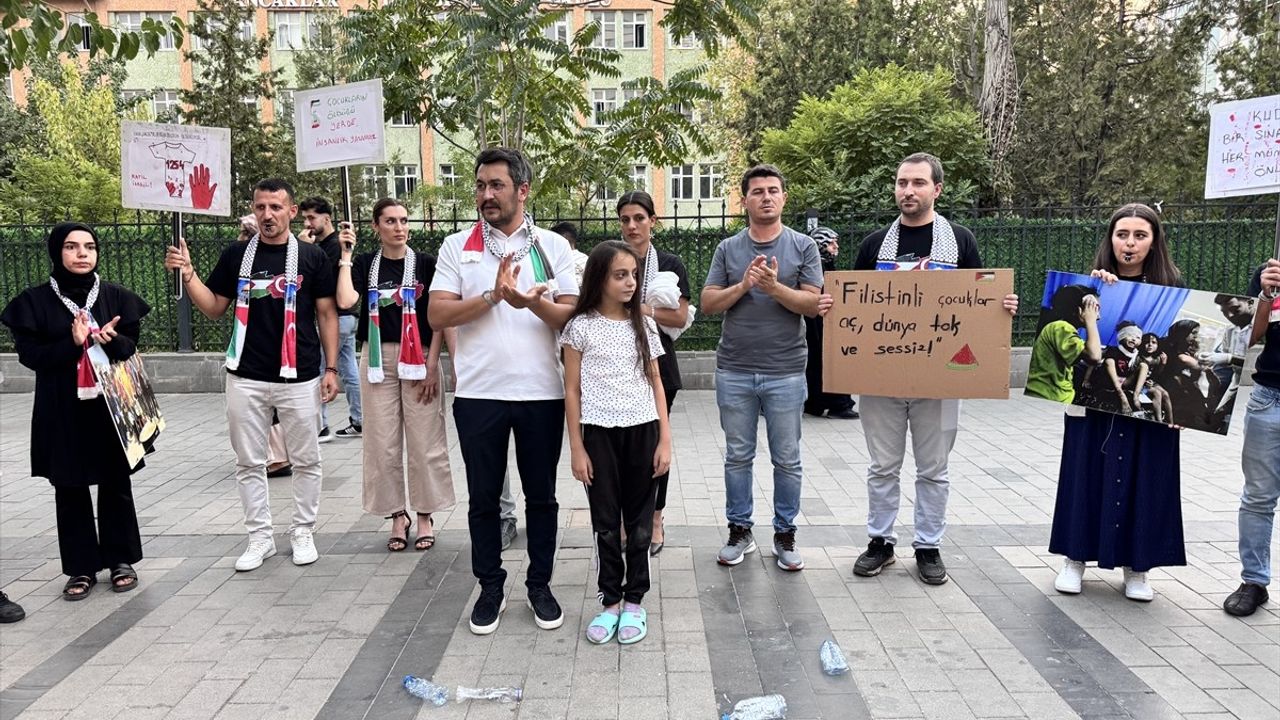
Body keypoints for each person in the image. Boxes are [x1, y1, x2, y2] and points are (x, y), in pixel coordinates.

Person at [428, 148, 579, 635]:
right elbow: (437, 315)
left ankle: (540, 585)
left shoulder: (553, 247)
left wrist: (527, 303)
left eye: (495, 185)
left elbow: (572, 317)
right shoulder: (458, 246)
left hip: (541, 394)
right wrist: (493, 297)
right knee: (484, 500)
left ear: (522, 190)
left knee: (542, 499)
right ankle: (489, 586)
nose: (485, 195)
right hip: (478, 394)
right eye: (480, 186)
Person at [850, 153, 1019, 586]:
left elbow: (978, 298)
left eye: (918, 183)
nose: (908, 191)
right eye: (902, 183)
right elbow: (856, 305)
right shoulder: (873, 245)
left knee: (934, 467)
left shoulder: (959, 241)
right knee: (882, 466)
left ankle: (928, 545)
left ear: (937, 189)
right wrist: (835, 306)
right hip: (882, 376)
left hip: (941, 376)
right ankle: (880, 542)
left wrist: (1002, 306)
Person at [165, 178, 340, 572]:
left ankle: (302, 531)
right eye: (261, 207)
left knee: (307, 459)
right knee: (248, 461)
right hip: (246, 373)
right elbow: (213, 308)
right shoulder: (237, 255)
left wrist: (331, 368)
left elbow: (327, 313)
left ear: (292, 212)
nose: (267, 215)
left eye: (276, 207)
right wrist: (189, 274)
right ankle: (259, 537)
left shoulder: (311, 258)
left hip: (300, 373)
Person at [2, 222, 150, 600]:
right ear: (57, 252)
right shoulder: (33, 303)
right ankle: (81, 567)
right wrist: (72, 343)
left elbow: (130, 347)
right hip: (60, 407)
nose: (82, 254)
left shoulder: (115, 297)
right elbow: (32, 357)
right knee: (69, 487)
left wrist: (113, 340)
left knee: (116, 482)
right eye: (71, 247)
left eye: (89, 247)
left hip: (109, 406)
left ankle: (121, 559)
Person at [1050, 203, 1185, 602]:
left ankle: (1138, 567)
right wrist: (1098, 289)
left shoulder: (1174, 288)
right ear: (1110, 239)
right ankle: (1074, 558)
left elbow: (1171, 360)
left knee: (1146, 475)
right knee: (1085, 471)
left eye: (1140, 235)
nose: (1129, 243)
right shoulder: (1093, 287)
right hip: (1095, 405)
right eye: (1121, 234)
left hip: (1147, 408)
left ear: (1154, 241)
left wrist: (1181, 411)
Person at [701, 164, 827, 571]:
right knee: (737, 456)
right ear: (745, 200)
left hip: (786, 371)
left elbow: (814, 304)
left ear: (784, 198)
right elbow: (707, 304)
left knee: (787, 458)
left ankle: (785, 533)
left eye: (773, 190)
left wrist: (774, 288)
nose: (766, 197)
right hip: (735, 369)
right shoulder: (728, 249)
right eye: (757, 191)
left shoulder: (803, 246)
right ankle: (740, 530)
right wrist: (744, 285)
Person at [563, 241, 671, 644]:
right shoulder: (580, 327)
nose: (629, 282)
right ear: (599, 278)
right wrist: (576, 447)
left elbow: (657, 381)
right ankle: (610, 600)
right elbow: (571, 390)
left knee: (640, 524)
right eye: (619, 275)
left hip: (643, 432)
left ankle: (635, 601)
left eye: (633, 275)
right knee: (606, 523)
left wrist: (665, 439)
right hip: (598, 435)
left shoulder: (643, 324)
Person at [336, 198, 456, 552]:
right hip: (376, 357)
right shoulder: (363, 264)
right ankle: (396, 515)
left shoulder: (426, 265)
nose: (399, 227)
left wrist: (433, 362)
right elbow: (345, 300)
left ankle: (424, 514)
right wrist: (344, 255)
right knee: (382, 441)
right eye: (390, 221)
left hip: (418, 354)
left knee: (425, 438)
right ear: (376, 227)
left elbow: (439, 316)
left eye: (403, 220)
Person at [615, 190, 691, 556]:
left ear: (652, 221)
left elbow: (678, 316)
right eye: (625, 219)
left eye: (639, 218)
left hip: (660, 363)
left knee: (655, 447)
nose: (632, 226)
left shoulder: (670, 263)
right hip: (616, 366)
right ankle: (626, 519)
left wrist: (640, 309)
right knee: (619, 448)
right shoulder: (614, 260)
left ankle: (656, 517)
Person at [1224, 259, 1280, 617]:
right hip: (1268, 398)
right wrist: (1264, 293)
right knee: (1258, 497)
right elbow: (1251, 336)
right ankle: (1254, 581)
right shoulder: (1270, 270)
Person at [300, 196, 363, 441]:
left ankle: (321, 425)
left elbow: (323, 275)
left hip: (338, 317)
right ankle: (359, 421)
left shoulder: (335, 245)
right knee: (348, 369)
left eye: (311, 217)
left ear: (326, 218)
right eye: (304, 218)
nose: (307, 223)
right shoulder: (326, 243)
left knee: (321, 368)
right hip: (344, 318)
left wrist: (308, 249)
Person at [803, 226, 858, 420]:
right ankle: (831, 403)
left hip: (828, 322)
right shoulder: (815, 267)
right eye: (831, 243)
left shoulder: (825, 266)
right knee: (820, 359)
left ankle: (821, 402)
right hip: (816, 323)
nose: (836, 247)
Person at [1025, 284, 1102, 404]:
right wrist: (1090, 321)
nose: (1098, 316)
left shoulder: (1062, 328)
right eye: (1094, 309)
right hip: (1048, 396)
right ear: (1079, 310)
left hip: (1052, 395)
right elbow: (1095, 356)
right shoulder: (1061, 327)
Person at [1131, 332, 1173, 423]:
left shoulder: (1156, 359)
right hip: (1138, 383)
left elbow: (1156, 374)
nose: (1150, 345)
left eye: (1154, 343)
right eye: (1147, 342)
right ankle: (1159, 421)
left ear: (1158, 345)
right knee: (1156, 392)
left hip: (1150, 382)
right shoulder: (1138, 357)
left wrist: (1163, 364)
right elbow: (1133, 373)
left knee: (1165, 393)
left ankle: (1170, 422)